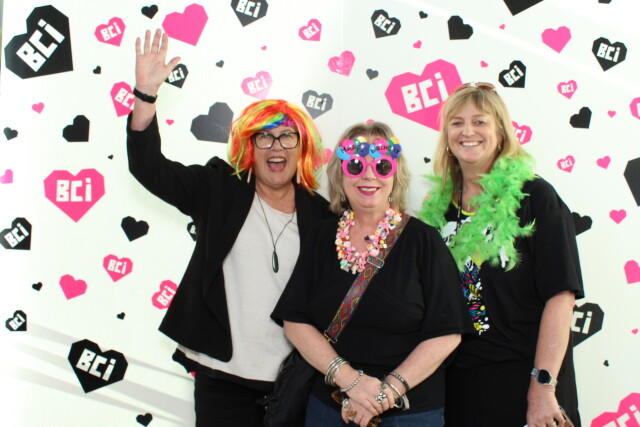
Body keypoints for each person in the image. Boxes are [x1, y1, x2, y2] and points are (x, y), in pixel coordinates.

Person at [127, 29, 332, 425]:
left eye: (286, 137)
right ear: (248, 147)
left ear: (302, 147)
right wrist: (146, 95)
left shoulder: (323, 217)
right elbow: (148, 167)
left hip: (295, 383)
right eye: (264, 137)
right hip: (221, 381)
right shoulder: (218, 189)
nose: (276, 146)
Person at [271, 121, 472, 427]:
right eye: (355, 165)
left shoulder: (423, 241)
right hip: (329, 407)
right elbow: (294, 320)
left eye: (381, 165)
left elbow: (447, 333)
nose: (368, 175)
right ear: (340, 173)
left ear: (395, 174)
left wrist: (384, 393)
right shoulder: (321, 236)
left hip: (409, 412)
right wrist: (350, 381)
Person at [418, 82, 584, 427]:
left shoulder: (535, 197)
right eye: (457, 122)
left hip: (527, 379)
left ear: (501, 133)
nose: (468, 131)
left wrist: (542, 389)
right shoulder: (439, 212)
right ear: (446, 135)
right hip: (461, 386)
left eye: (480, 121)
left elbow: (561, 297)